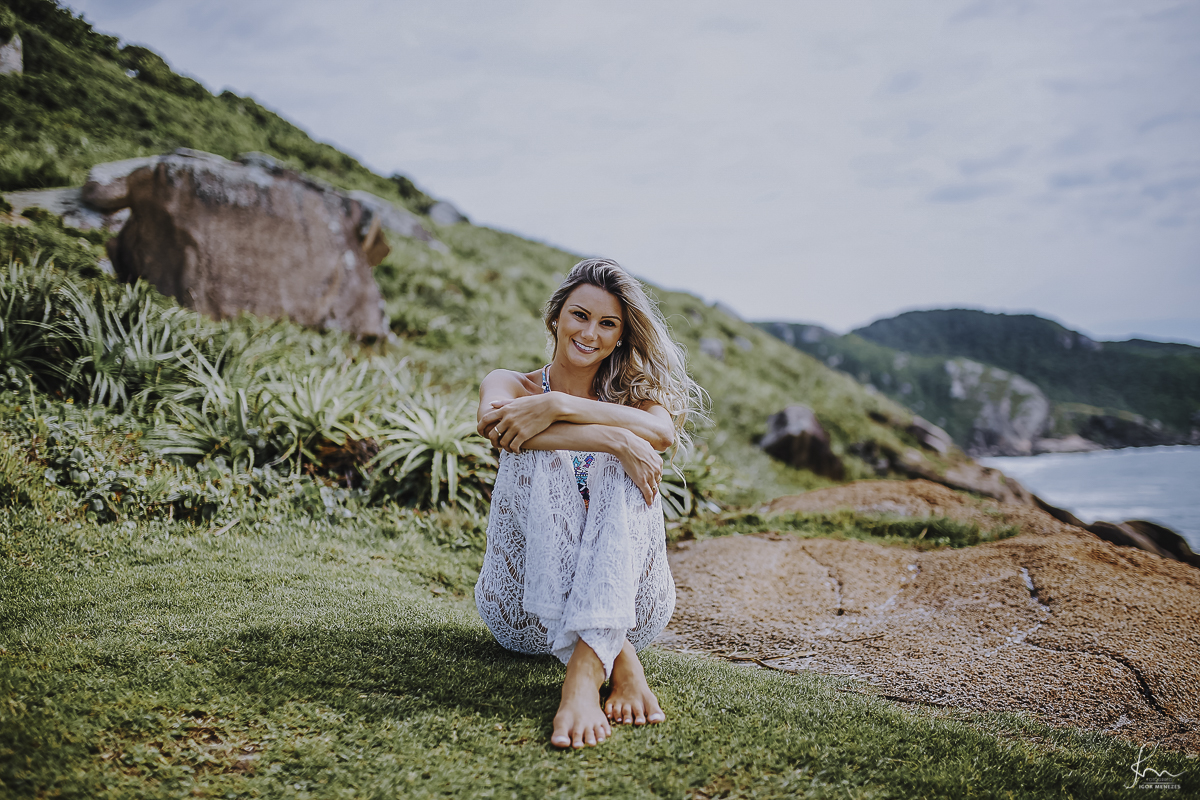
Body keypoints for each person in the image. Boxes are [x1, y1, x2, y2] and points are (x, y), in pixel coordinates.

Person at [475, 257, 703, 749]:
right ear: (555, 317)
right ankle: (619, 660)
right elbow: (494, 425)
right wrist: (613, 439)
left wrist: (560, 405)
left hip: (634, 610)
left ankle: (582, 677)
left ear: (620, 337)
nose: (589, 333)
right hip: (525, 612)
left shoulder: (635, 399)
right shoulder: (511, 383)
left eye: (607, 324)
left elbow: (662, 433)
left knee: (632, 457)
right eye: (579, 315)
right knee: (550, 453)